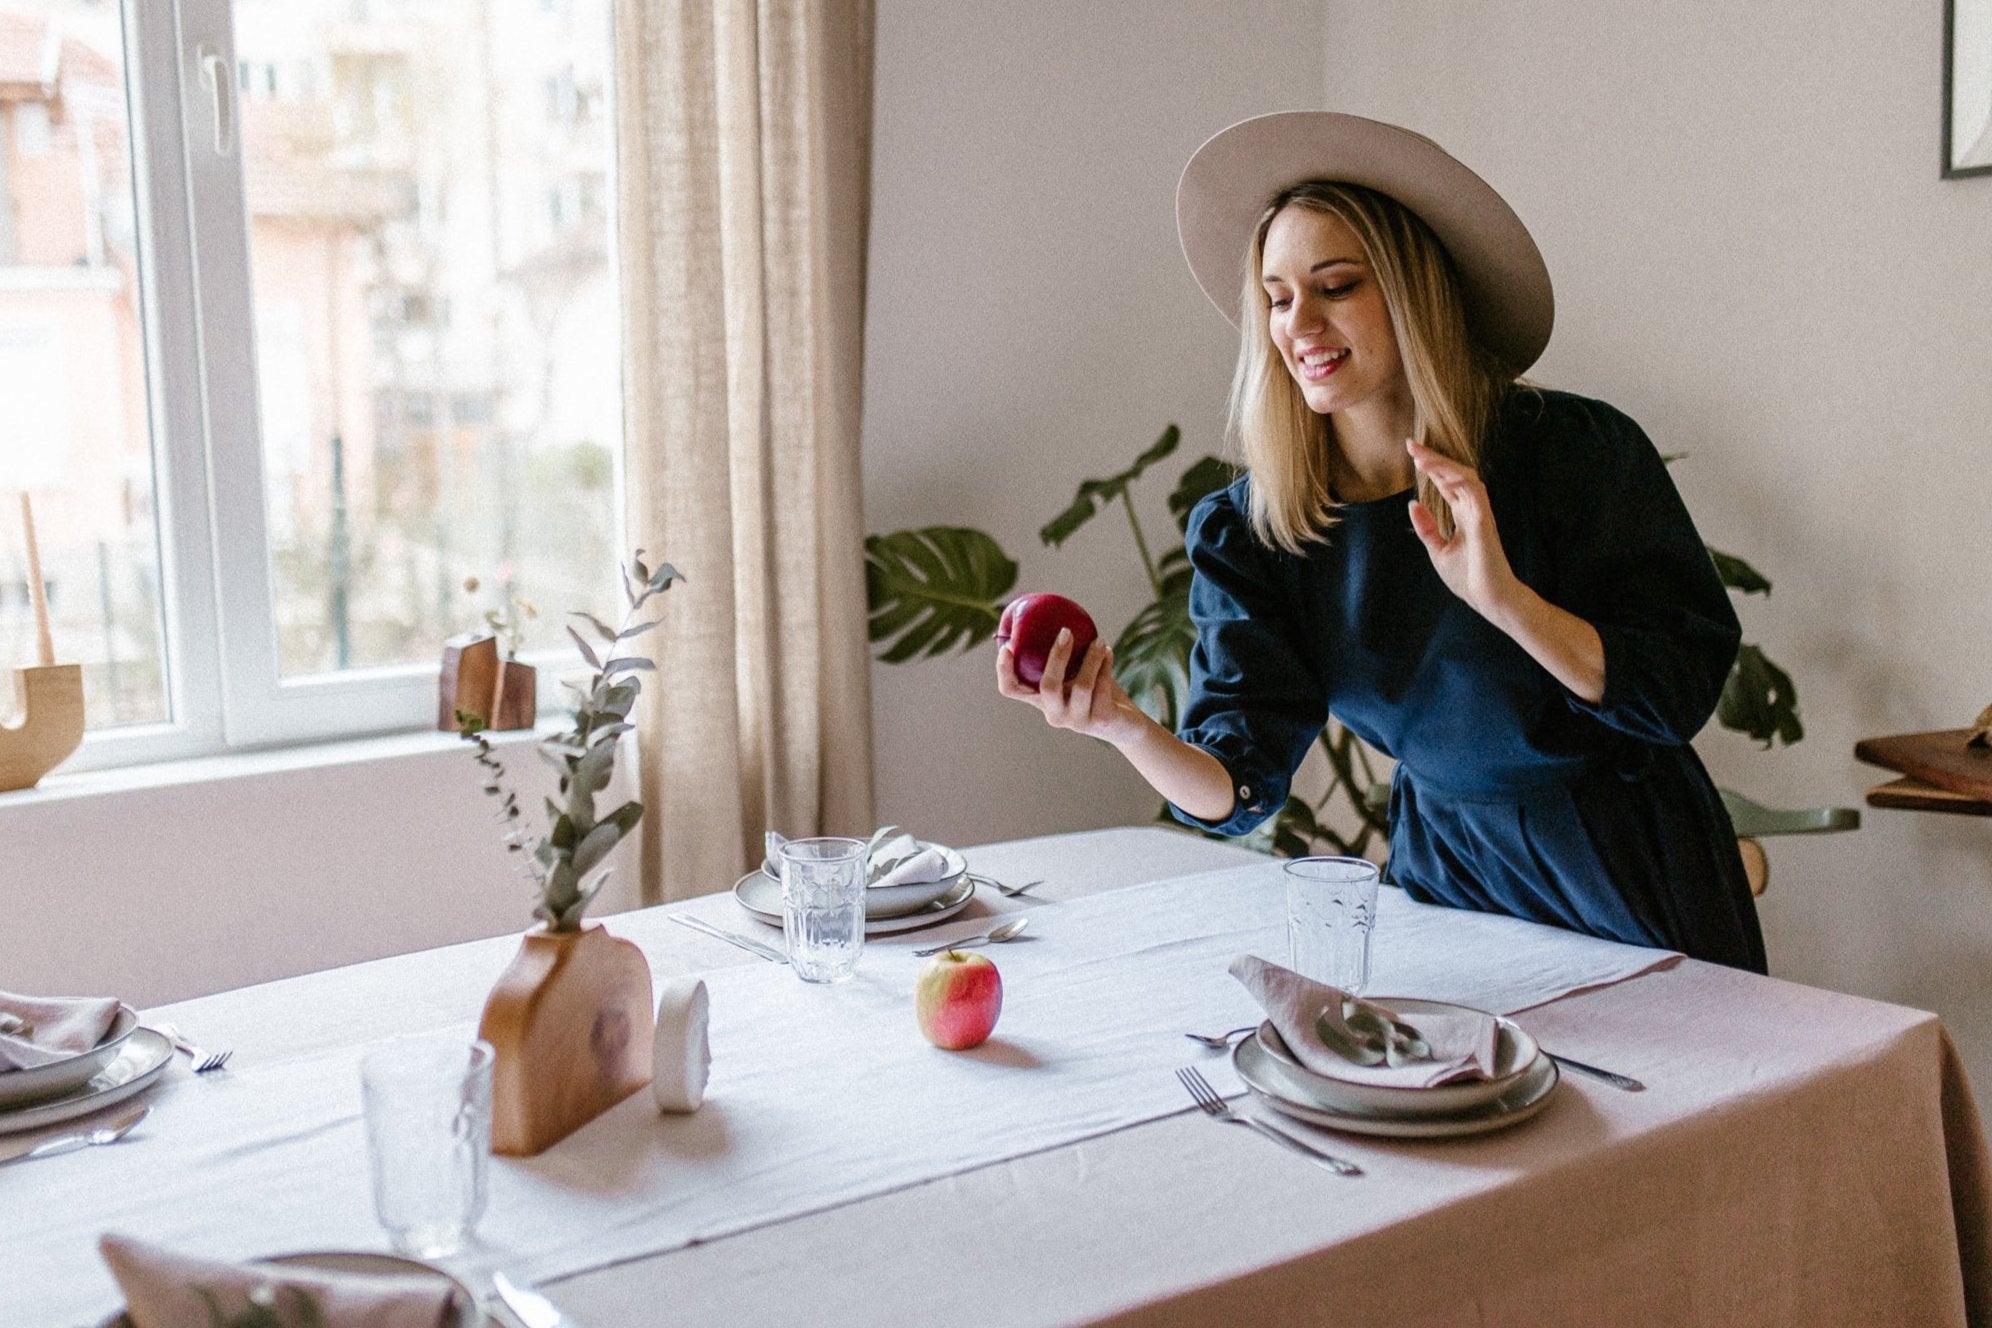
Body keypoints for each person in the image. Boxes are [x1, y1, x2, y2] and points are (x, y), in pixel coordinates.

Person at [995, 111, 1765, 972]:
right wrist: (1123, 725)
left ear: (1411, 293)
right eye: (1278, 298)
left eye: (1335, 286)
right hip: (1445, 876)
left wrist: (1505, 601)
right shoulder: (1256, 529)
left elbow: (1674, 691)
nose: (1299, 324)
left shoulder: (1575, 454)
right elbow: (1238, 785)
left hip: (1626, 869)